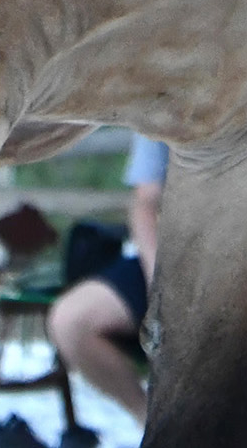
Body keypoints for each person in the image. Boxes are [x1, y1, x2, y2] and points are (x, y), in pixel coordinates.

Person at [46, 135, 166, 422]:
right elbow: (146, 203)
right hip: (166, 261)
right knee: (69, 320)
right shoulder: (161, 117)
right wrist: (160, 280)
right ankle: (152, 424)